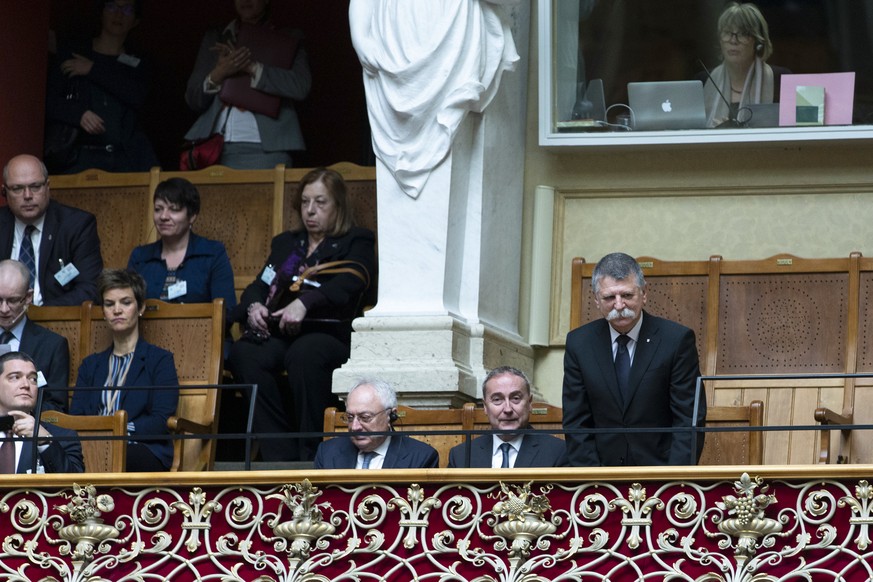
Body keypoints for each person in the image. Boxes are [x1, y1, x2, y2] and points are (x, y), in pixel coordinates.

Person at [227, 167, 375, 462]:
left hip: (328, 332)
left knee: (305, 354)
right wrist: (255, 307)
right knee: (245, 355)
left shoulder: (356, 240)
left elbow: (354, 281)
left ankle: (312, 452)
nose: (310, 210)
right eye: (305, 202)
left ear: (338, 206)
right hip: (281, 330)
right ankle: (279, 452)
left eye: (320, 203)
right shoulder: (286, 244)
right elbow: (261, 284)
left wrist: (306, 302)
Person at [562, 252, 705, 467]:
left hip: (661, 476)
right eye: (609, 297)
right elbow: (576, 422)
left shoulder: (675, 340)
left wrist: (674, 479)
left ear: (644, 293)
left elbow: (688, 420)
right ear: (596, 299)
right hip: (600, 478)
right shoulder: (579, 343)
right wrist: (592, 481)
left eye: (627, 295)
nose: (619, 305)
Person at [70, 269, 179, 472]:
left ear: (141, 308)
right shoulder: (90, 365)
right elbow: (77, 415)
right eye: (109, 304)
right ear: (103, 312)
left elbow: (161, 420)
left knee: (119, 455)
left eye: (125, 302)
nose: (117, 310)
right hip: (91, 447)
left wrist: (118, 432)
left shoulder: (160, 360)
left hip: (141, 448)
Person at [184, 0, 312, 169]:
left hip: (265, 149)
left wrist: (252, 67)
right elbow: (192, 99)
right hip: (213, 147)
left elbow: (300, 86)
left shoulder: (288, 38)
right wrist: (219, 73)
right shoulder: (217, 37)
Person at [44, 0, 158, 173]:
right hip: (78, 157)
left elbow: (138, 96)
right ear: (101, 12)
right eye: (112, 6)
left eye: (127, 9)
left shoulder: (138, 63)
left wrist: (92, 69)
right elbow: (48, 102)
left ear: (136, 21)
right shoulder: (74, 53)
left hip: (125, 160)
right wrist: (78, 114)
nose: (119, 14)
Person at [0, 154, 104, 306]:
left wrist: (41, 317)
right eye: (17, 189)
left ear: (48, 186)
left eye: (35, 187)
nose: (27, 195)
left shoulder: (77, 225)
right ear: (5, 192)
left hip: (55, 323)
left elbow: (90, 288)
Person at [127, 178, 237, 317]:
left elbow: (227, 312)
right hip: (149, 336)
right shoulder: (140, 257)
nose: (163, 216)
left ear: (192, 216)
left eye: (174, 209)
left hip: (201, 336)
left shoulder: (213, 253)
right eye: (158, 209)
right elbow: (126, 307)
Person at [448, 367, 567, 468]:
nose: (508, 409)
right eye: (497, 400)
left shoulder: (557, 452)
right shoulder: (461, 456)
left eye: (515, 398)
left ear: (529, 403)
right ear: (485, 407)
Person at [700, 2, 790, 128]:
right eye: (727, 33)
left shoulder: (781, 79)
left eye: (742, 34)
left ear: (758, 41)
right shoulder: (703, 80)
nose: (733, 40)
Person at [313, 379, 439, 470]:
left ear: (390, 415)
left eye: (365, 417)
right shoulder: (327, 453)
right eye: (350, 417)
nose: (355, 427)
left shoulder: (421, 457)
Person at [0, 260, 70, 412]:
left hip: (28, 430)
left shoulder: (52, 345)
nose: (4, 309)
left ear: (28, 297)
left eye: (12, 301)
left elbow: (56, 407)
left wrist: (21, 414)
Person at [0, 352, 84, 474]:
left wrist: (44, 440)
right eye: (15, 377)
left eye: (33, 379)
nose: (26, 385)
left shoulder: (63, 437)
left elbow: (77, 487)